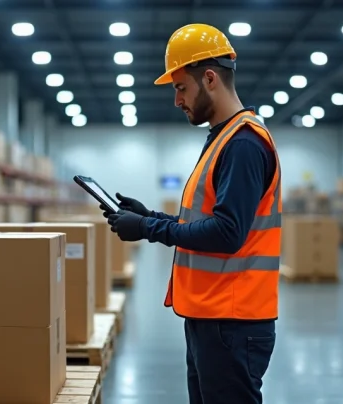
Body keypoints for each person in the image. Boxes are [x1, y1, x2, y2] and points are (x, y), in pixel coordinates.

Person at [100, 23, 282, 404]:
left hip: (233, 322)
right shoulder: (223, 138)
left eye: (181, 87)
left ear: (210, 78)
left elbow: (227, 232)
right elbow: (204, 221)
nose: (177, 100)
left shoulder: (244, 144)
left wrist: (149, 228)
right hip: (212, 318)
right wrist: (148, 215)